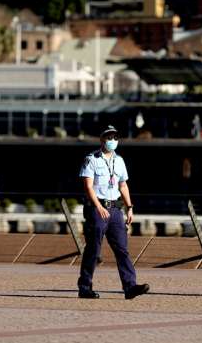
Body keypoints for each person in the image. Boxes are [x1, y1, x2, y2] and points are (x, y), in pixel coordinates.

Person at [77, 125, 150, 300]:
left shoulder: (120, 161)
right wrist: (98, 207)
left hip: (116, 210)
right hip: (98, 209)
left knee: (122, 249)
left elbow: (123, 185)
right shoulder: (91, 159)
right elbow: (88, 186)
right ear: (102, 139)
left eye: (115, 137)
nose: (112, 141)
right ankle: (85, 287)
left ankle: (130, 286)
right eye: (109, 137)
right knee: (93, 249)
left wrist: (129, 207)